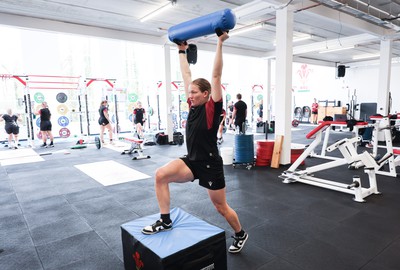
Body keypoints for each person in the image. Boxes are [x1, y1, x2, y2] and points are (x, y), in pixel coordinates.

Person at [141, 32, 248, 254]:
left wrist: (220, 43)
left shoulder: (211, 108)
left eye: (193, 92)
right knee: (160, 175)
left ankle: (240, 234)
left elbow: (216, 76)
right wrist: (181, 50)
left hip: (210, 165)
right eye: (189, 92)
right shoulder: (193, 105)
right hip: (192, 161)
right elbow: (185, 73)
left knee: (220, 207)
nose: (189, 95)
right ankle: (165, 220)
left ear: (206, 94)